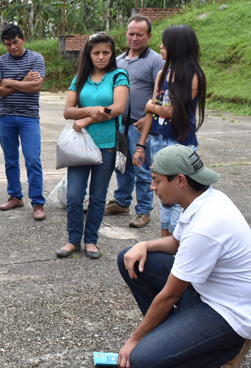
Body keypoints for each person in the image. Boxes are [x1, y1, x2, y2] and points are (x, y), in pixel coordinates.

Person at [116, 145, 251, 368]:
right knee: (131, 258)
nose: (152, 187)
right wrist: (144, 245)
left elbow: (170, 296)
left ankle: (228, 350)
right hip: (207, 291)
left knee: (143, 363)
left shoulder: (206, 225)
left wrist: (135, 340)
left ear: (180, 181)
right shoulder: (204, 199)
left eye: (157, 181)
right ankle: (171, 335)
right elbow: (175, 244)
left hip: (229, 312)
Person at [57, 32, 128, 260]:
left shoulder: (118, 75)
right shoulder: (80, 78)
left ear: (112, 54)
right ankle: (72, 240)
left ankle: (91, 241)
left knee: (98, 197)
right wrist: (88, 110)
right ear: (89, 54)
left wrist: (86, 120)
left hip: (106, 145)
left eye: (106, 52)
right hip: (81, 146)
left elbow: (117, 108)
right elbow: (68, 111)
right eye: (96, 52)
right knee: (75, 195)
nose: (101, 56)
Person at [133, 24, 206, 237]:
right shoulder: (163, 73)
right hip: (157, 142)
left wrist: (150, 105)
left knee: (179, 200)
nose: (161, 46)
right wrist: (140, 145)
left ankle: (177, 247)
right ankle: (165, 245)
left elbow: (174, 111)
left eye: (166, 43)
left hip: (180, 145)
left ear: (178, 46)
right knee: (163, 198)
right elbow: (152, 115)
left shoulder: (194, 76)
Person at [105, 15, 164, 229]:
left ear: (149, 36)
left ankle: (144, 211)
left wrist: (148, 117)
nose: (135, 38)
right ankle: (121, 202)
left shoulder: (156, 60)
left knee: (142, 169)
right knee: (121, 166)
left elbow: (161, 95)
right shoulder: (119, 60)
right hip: (120, 125)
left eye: (140, 34)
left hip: (141, 126)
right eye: (131, 33)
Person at [0, 23, 46, 220]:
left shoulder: (36, 58)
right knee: (10, 160)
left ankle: (38, 202)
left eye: (15, 42)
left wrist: (10, 82)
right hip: (6, 116)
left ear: (22, 39)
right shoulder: (0, 62)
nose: (12, 47)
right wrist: (24, 81)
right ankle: (15, 196)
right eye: (8, 44)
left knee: (33, 159)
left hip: (29, 117)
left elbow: (36, 87)